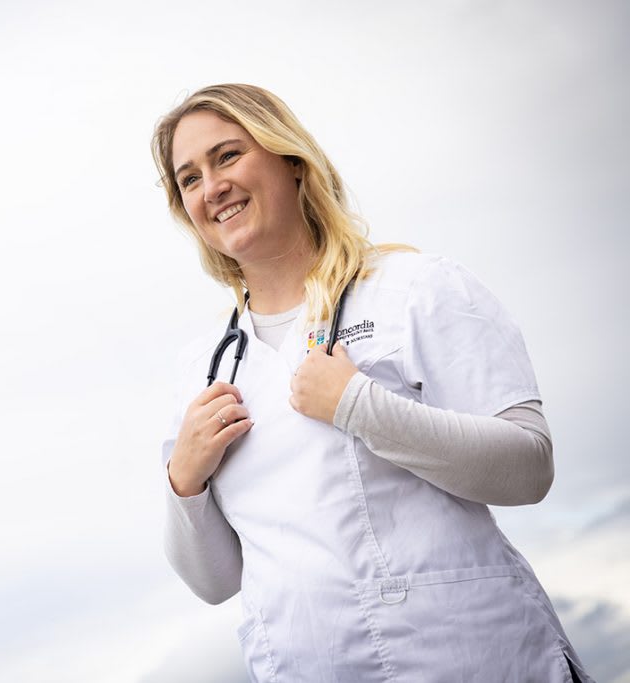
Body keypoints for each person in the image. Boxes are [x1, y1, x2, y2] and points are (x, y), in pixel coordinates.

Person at [152, 84, 591, 682]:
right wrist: (185, 481)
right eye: (190, 178)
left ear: (291, 162)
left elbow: (529, 468)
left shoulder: (414, 289)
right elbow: (213, 582)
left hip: (474, 661)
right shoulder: (203, 371)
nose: (212, 187)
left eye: (227, 156)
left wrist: (360, 406)